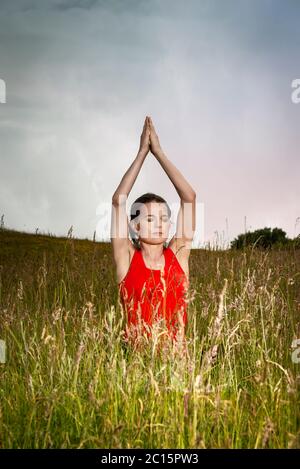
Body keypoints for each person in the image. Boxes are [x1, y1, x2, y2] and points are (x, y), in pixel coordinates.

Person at [111, 116, 196, 349]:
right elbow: (118, 201)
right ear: (134, 227)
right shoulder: (127, 258)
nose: (159, 224)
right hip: (136, 369)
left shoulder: (178, 254)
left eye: (164, 218)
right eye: (149, 218)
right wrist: (142, 153)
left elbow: (189, 197)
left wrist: (158, 152)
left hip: (178, 368)